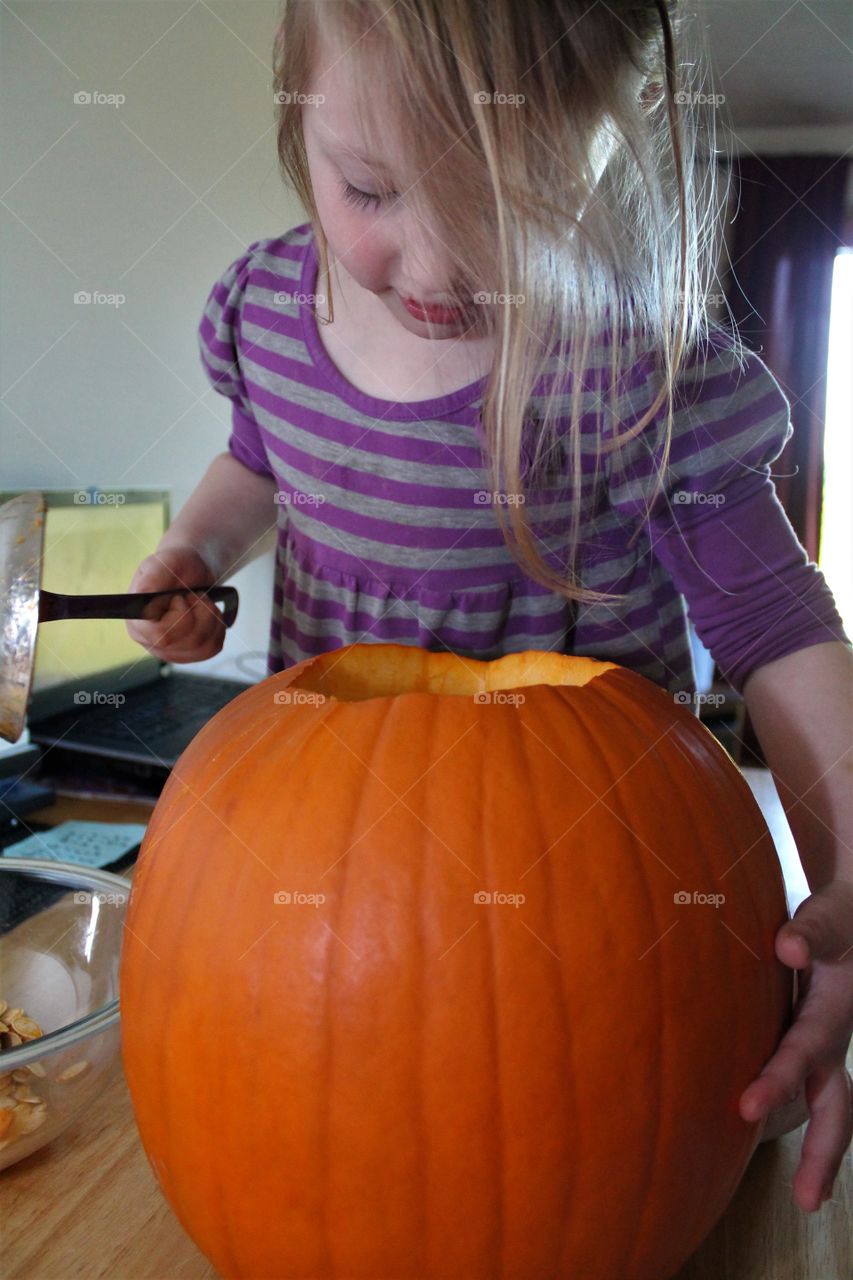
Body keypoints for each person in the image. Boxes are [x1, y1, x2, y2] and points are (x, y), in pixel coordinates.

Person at [126, 0, 852, 1213]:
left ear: (606, 145)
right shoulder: (264, 309)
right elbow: (260, 462)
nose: (439, 267)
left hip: (583, 929)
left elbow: (778, 627)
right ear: (296, 119)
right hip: (324, 900)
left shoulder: (630, 373)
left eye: (513, 206)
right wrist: (197, 545)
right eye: (370, 192)